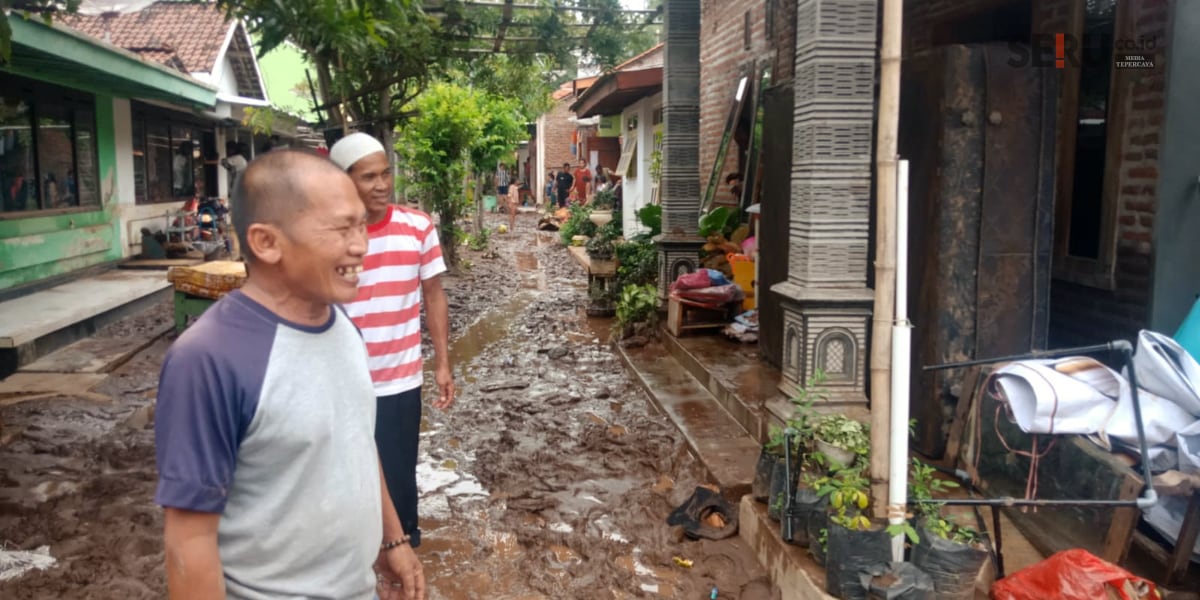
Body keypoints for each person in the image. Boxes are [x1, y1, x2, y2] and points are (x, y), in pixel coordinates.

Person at [154, 150, 425, 600]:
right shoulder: (208, 359)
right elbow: (188, 544)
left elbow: (357, 441)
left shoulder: (344, 329)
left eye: (361, 226)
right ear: (266, 242)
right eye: (341, 228)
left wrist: (391, 540)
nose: (360, 245)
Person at [329, 133, 454, 552]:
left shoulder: (417, 228)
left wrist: (442, 363)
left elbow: (433, 294)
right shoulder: (328, 236)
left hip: (399, 382)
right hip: (340, 384)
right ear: (344, 182)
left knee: (398, 476)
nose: (382, 184)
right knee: (342, 475)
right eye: (369, 177)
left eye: (386, 174)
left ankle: (403, 557)